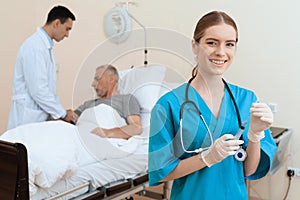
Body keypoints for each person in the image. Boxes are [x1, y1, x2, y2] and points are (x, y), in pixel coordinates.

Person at [148, 11, 277, 199]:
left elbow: (249, 170)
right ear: (195, 45)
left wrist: (255, 135)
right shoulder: (168, 105)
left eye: (229, 44)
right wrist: (206, 158)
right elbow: (162, 171)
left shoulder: (247, 100)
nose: (221, 52)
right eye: (211, 42)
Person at [7, 5, 78, 130]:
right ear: (56, 23)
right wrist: (62, 113)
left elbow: (48, 89)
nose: (67, 35)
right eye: (67, 29)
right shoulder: (35, 47)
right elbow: (38, 90)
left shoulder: (44, 47)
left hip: (37, 116)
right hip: (27, 118)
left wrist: (59, 113)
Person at [74, 64, 142, 139]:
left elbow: (136, 128)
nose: (93, 84)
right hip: (81, 136)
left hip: (102, 138)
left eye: (97, 79)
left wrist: (108, 132)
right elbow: (70, 118)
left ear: (111, 79)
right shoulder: (88, 104)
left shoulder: (126, 100)